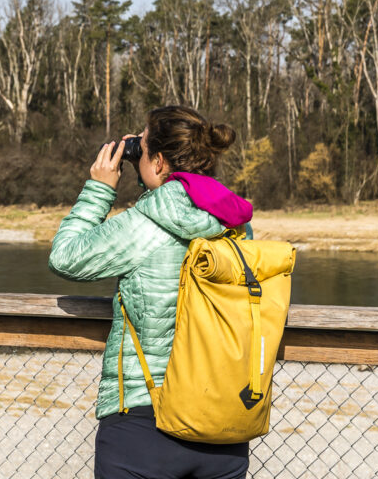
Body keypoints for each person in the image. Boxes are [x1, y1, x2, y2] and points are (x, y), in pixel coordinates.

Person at [48, 105, 253, 479]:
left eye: (140, 147)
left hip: (145, 424)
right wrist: (148, 172)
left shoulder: (145, 224)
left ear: (158, 162)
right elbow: (186, 200)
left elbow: (66, 258)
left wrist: (99, 188)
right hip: (225, 423)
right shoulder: (234, 223)